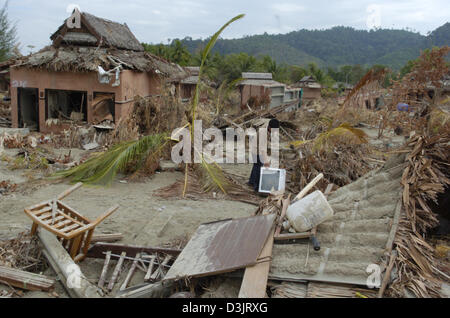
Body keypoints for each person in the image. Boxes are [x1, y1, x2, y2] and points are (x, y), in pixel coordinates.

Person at [248, 118, 280, 192]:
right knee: (259, 168)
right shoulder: (263, 133)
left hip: (255, 149)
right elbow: (262, 149)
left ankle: (251, 182)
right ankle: (256, 188)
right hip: (256, 151)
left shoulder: (266, 130)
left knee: (255, 166)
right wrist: (266, 161)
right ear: (270, 127)